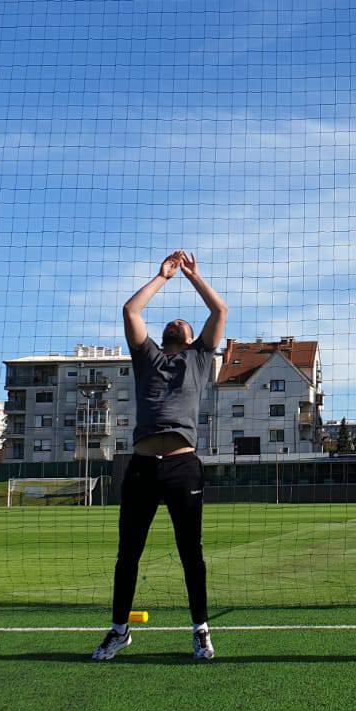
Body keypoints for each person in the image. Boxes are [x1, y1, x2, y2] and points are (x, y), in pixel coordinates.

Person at [92, 251, 228, 662]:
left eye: (182, 324)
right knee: (128, 552)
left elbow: (219, 309)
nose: (176, 321)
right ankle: (119, 631)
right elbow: (131, 309)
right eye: (173, 322)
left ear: (189, 339)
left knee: (191, 552)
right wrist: (163, 276)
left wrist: (194, 276)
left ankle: (200, 630)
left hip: (183, 466)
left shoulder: (200, 359)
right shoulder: (147, 357)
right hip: (141, 466)